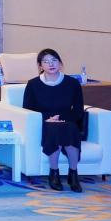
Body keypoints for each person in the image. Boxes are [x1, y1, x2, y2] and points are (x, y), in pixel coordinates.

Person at [23, 49, 85, 192]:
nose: (51, 64)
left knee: (70, 129)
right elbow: (27, 109)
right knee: (53, 129)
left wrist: (61, 119)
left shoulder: (72, 83)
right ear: (40, 66)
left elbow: (78, 110)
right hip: (44, 122)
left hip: (67, 120)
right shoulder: (33, 84)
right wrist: (47, 118)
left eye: (54, 60)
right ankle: (54, 172)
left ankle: (73, 173)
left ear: (60, 63)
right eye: (46, 61)